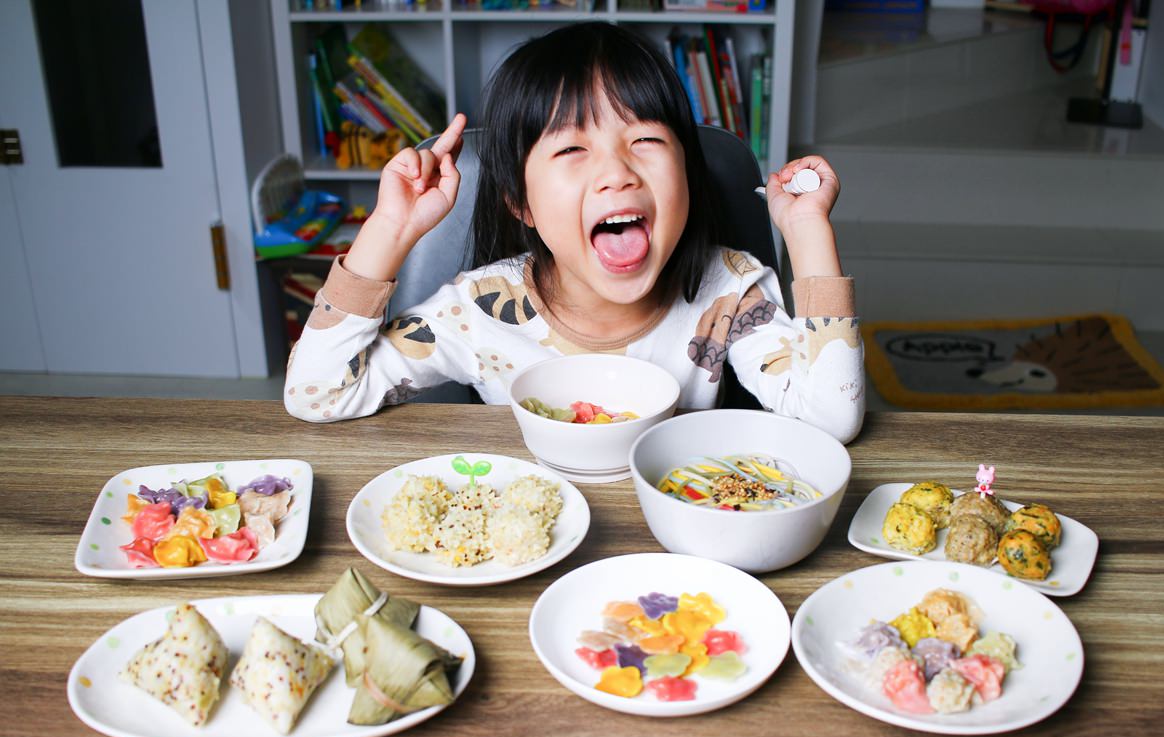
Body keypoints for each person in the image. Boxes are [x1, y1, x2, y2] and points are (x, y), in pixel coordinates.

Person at [285, 22, 865, 443]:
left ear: (688, 174)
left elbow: (829, 418)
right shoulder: (480, 312)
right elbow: (317, 393)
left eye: (646, 141)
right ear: (521, 203)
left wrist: (807, 230)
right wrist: (389, 227)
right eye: (571, 148)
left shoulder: (730, 292)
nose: (616, 172)